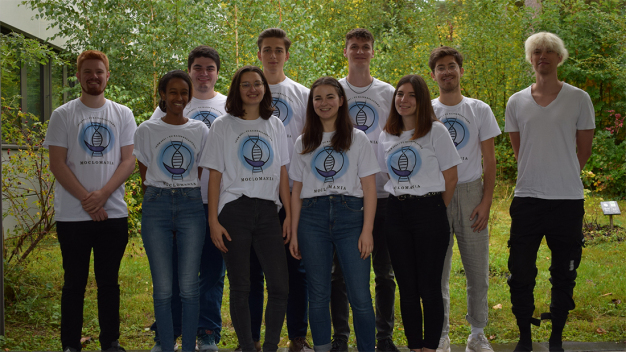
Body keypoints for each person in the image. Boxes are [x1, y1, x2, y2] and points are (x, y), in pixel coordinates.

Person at [504, 32, 594, 352]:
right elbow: (520, 151)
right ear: (530, 59)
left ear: (559, 58)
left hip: (567, 201)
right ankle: (525, 336)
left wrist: (562, 171)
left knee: (564, 272)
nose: (543, 56)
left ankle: (556, 336)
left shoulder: (579, 98)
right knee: (521, 271)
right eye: (537, 52)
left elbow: (582, 151)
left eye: (549, 52)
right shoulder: (515, 102)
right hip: (527, 199)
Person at [44, 50, 136, 352]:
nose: (94, 76)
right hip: (73, 216)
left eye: (99, 71)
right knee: (74, 283)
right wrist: (87, 199)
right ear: (78, 75)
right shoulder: (63, 115)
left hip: (113, 214)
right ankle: (70, 344)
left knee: (109, 282)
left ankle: (110, 341)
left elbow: (128, 161)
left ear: (108, 75)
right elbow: (57, 163)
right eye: (88, 72)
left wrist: (103, 195)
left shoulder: (123, 114)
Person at [200, 66, 291, 352]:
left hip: (267, 212)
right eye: (245, 85)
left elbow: (284, 173)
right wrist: (213, 221)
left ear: (265, 88)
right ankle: (247, 347)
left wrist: (288, 215)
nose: (252, 89)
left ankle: (271, 346)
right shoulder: (223, 125)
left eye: (257, 84)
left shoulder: (275, 124)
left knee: (280, 286)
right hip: (234, 211)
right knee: (240, 286)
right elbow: (213, 176)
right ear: (236, 90)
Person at [289, 76, 378, 352]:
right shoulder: (304, 141)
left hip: (351, 217)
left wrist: (367, 230)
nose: (324, 103)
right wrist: (293, 232)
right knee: (318, 294)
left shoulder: (358, 138)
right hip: (311, 219)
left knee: (360, 295)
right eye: (318, 98)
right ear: (311, 103)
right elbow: (296, 192)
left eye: (330, 97)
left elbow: (369, 188)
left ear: (341, 101)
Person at [148, 45, 227, 352]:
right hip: (178, 202)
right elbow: (153, 145)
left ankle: (206, 331)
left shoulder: (227, 105)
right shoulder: (173, 101)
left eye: (210, 68)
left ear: (217, 73)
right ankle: (168, 331)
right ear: (189, 70)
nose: (204, 73)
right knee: (173, 271)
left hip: (216, 201)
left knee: (211, 270)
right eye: (198, 67)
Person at [237, 28, 311, 352]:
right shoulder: (246, 93)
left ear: (287, 54)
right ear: (258, 54)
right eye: (266, 50)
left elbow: (312, 141)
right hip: (256, 195)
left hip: (294, 192)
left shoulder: (302, 94)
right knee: (252, 273)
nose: (272, 55)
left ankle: (297, 337)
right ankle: (252, 338)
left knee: (294, 268)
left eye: (278, 50)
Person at [378, 75, 461, 352]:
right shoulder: (386, 134)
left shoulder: (435, 131)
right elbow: (386, 173)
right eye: (400, 94)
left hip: (430, 211)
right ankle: (415, 347)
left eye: (411, 95)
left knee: (429, 287)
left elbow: (451, 178)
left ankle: (430, 348)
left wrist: (436, 209)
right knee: (407, 288)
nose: (404, 100)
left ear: (422, 99)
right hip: (397, 212)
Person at [428, 46, 501, 352]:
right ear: (433, 75)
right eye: (441, 67)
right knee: (437, 272)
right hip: (438, 193)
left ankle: (477, 333)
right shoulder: (428, 111)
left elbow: (490, 160)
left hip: (471, 192)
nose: (447, 71)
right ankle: (441, 334)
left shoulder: (479, 109)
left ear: (460, 70)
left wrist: (486, 201)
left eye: (452, 66)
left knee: (477, 270)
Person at [332, 28, 398, 352]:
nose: (359, 51)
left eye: (365, 47)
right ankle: (341, 339)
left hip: (385, 193)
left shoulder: (388, 93)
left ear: (373, 52)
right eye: (353, 46)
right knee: (340, 276)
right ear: (344, 51)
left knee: (385, 274)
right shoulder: (333, 91)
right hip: (344, 195)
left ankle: (383, 338)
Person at [134, 70, 208, 352]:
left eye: (184, 92)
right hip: (156, 205)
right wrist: (160, 195)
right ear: (162, 96)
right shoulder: (146, 130)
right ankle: (166, 345)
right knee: (163, 288)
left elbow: (198, 170)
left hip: (191, 205)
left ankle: (188, 346)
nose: (179, 98)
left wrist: (183, 189)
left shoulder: (200, 130)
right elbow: (145, 174)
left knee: (189, 287)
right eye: (173, 92)